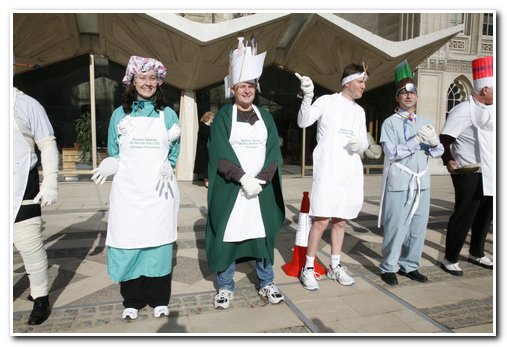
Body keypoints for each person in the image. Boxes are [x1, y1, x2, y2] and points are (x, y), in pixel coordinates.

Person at [91, 55, 181, 320]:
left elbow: (175, 146)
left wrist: (170, 164)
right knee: (129, 242)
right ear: (132, 81)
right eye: (142, 78)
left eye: (153, 78)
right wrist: (111, 163)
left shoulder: (168, 114)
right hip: (128, 192)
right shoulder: (120, 115)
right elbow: (114, 150)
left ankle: (158, 299)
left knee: (159, 245)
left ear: (159, 82)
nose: (148, 83)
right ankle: (132, 299)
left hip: (159, 192)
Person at [206, 37, 285, 309]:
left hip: (259, 191)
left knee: (262, 236)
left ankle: (266, 282)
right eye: (242, 85)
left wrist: (261, 180)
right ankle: (225, 286)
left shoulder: (267, 117)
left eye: (251, 85)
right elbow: (219, 151)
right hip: (233, 190)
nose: (247, 90)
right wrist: (242, 178)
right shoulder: (222, 118)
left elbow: (274, 151)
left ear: (256, 88)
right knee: (228, 236)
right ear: (233, 89)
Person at [295, 63, 369, 291]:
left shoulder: (359, 111)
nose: (363, 87)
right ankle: (308, 268)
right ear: (348, 82)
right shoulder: (327, 102)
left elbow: (364, 141)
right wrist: (307, 96)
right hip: (328, 170)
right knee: (322, 220)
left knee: (341, 221)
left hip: (350, 172)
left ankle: (335, 265)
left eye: (364, 83)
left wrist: (362, 145)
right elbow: (303, 121)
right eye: (360, 82)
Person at [377, 60, 444, 286]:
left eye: (412, 92)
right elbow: (392, 152)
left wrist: (435, 143)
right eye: (403, 93)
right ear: (396, 97)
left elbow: (438, 152)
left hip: (421, 182)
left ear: (417, 96)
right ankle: (389, 267)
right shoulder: (389, 123)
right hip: (399, 181)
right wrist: (416, 141)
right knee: (396, 226)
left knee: (417, 226)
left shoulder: (425, 122)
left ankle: (410, 265)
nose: (408, 96)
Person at [439, 55, 495, 276]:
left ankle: (477, 252)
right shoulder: (462, 109)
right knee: (465, 214)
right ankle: (450, 257)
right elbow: (445, 139)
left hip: (491, 169)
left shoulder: (495, 109)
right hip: (469, 170)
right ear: (484, 90)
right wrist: (448, 161)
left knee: (486, 214)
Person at [12, 87, 59, 325]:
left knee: (29, 245)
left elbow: (47, 144)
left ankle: (40, 296)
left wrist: (50, 183)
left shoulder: (28, 104)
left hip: (21, 187)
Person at [193, 111, 214, 187]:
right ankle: (206, 181)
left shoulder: (210, 126)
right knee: (204, 166)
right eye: (211, 118)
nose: (212, 119)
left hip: (208, 149)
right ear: (208, 118)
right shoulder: (203, 126)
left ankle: (208, 180)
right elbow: (207, 136)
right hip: (203, 150)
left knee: (207, 165)